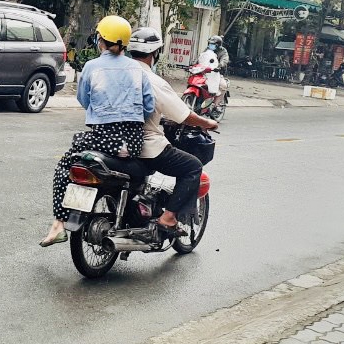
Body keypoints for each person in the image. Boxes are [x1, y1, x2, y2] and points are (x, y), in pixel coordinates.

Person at [40, 16, 155, 247]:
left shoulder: (92, 67)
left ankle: (58, 224)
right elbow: (149, 106)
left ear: (100, 40)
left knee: (65, 164)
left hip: (104, 139)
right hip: (133, 143)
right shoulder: (138, 68)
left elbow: (84, 100)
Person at [128, 27, 219, 232]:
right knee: (193, 167)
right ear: (156, 53)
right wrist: (207, 123)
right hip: (145, 145)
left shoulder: (117, 74)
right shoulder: (152, 80)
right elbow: (183, 115)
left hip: (110, 142)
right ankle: (168, 218)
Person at [198, 35, 225, 100]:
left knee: (223, 85)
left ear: (218, 45)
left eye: (213, 44)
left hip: (217, 72)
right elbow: (201, 57)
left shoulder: (223, 51)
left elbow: (224, 60)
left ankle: (216, 104)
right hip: (205, 72)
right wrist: (194, 64)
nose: (211, 45)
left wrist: (219, 66)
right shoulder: (207, 50)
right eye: (210, 43)